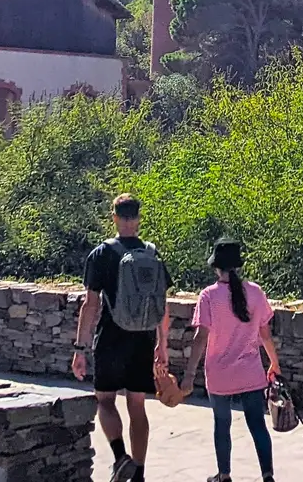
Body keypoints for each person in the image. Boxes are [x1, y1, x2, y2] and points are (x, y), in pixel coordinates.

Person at [74, 194, 173, 482]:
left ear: (114, 217)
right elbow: (162, 305)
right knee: (137, 405)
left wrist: (80, 348)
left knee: (104, 400)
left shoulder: (102, 253)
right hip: (143, 338)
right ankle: (139, 473)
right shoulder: (152, 253)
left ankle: (120, 457)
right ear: (138, 218)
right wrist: (161, 344)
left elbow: (90, 304)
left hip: (112, 336)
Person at [179, 238, 282, 482]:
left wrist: (189, 375)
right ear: (238, 266)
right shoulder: (256, 293)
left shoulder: (208, 297)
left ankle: (224, 475)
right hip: (250, 372)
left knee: (222, 424)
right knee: (257, 425)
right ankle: (267, 475)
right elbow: (265, 333)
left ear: (216, 267)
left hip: (219, 374)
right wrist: (274, 363)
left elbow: (200, 337)